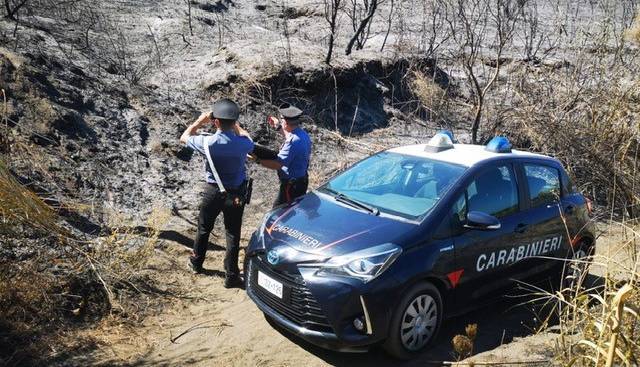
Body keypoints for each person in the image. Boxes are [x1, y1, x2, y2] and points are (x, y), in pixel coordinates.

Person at [179, 98, 254, 288]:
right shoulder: (243, 144)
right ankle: (231, 275)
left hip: (212, 191)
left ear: (216, 122)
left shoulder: (207, 142)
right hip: (235, 194)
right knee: (232, 234)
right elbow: (248, 138)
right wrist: (236, 126)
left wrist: (199, 121)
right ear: (234, 121)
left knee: (204, 228)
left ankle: (196, 262)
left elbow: (184, 136)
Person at [254, 104, 312, 207]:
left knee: (278, 214)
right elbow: (289, 135)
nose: (280, 121)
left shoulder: (292, 142)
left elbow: (278, 164)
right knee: (294, 209)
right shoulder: (302, 134)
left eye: (281, 120)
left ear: (285, 121)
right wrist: (278, 127)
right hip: (301, 181)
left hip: (291, 186)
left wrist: (257, 160)